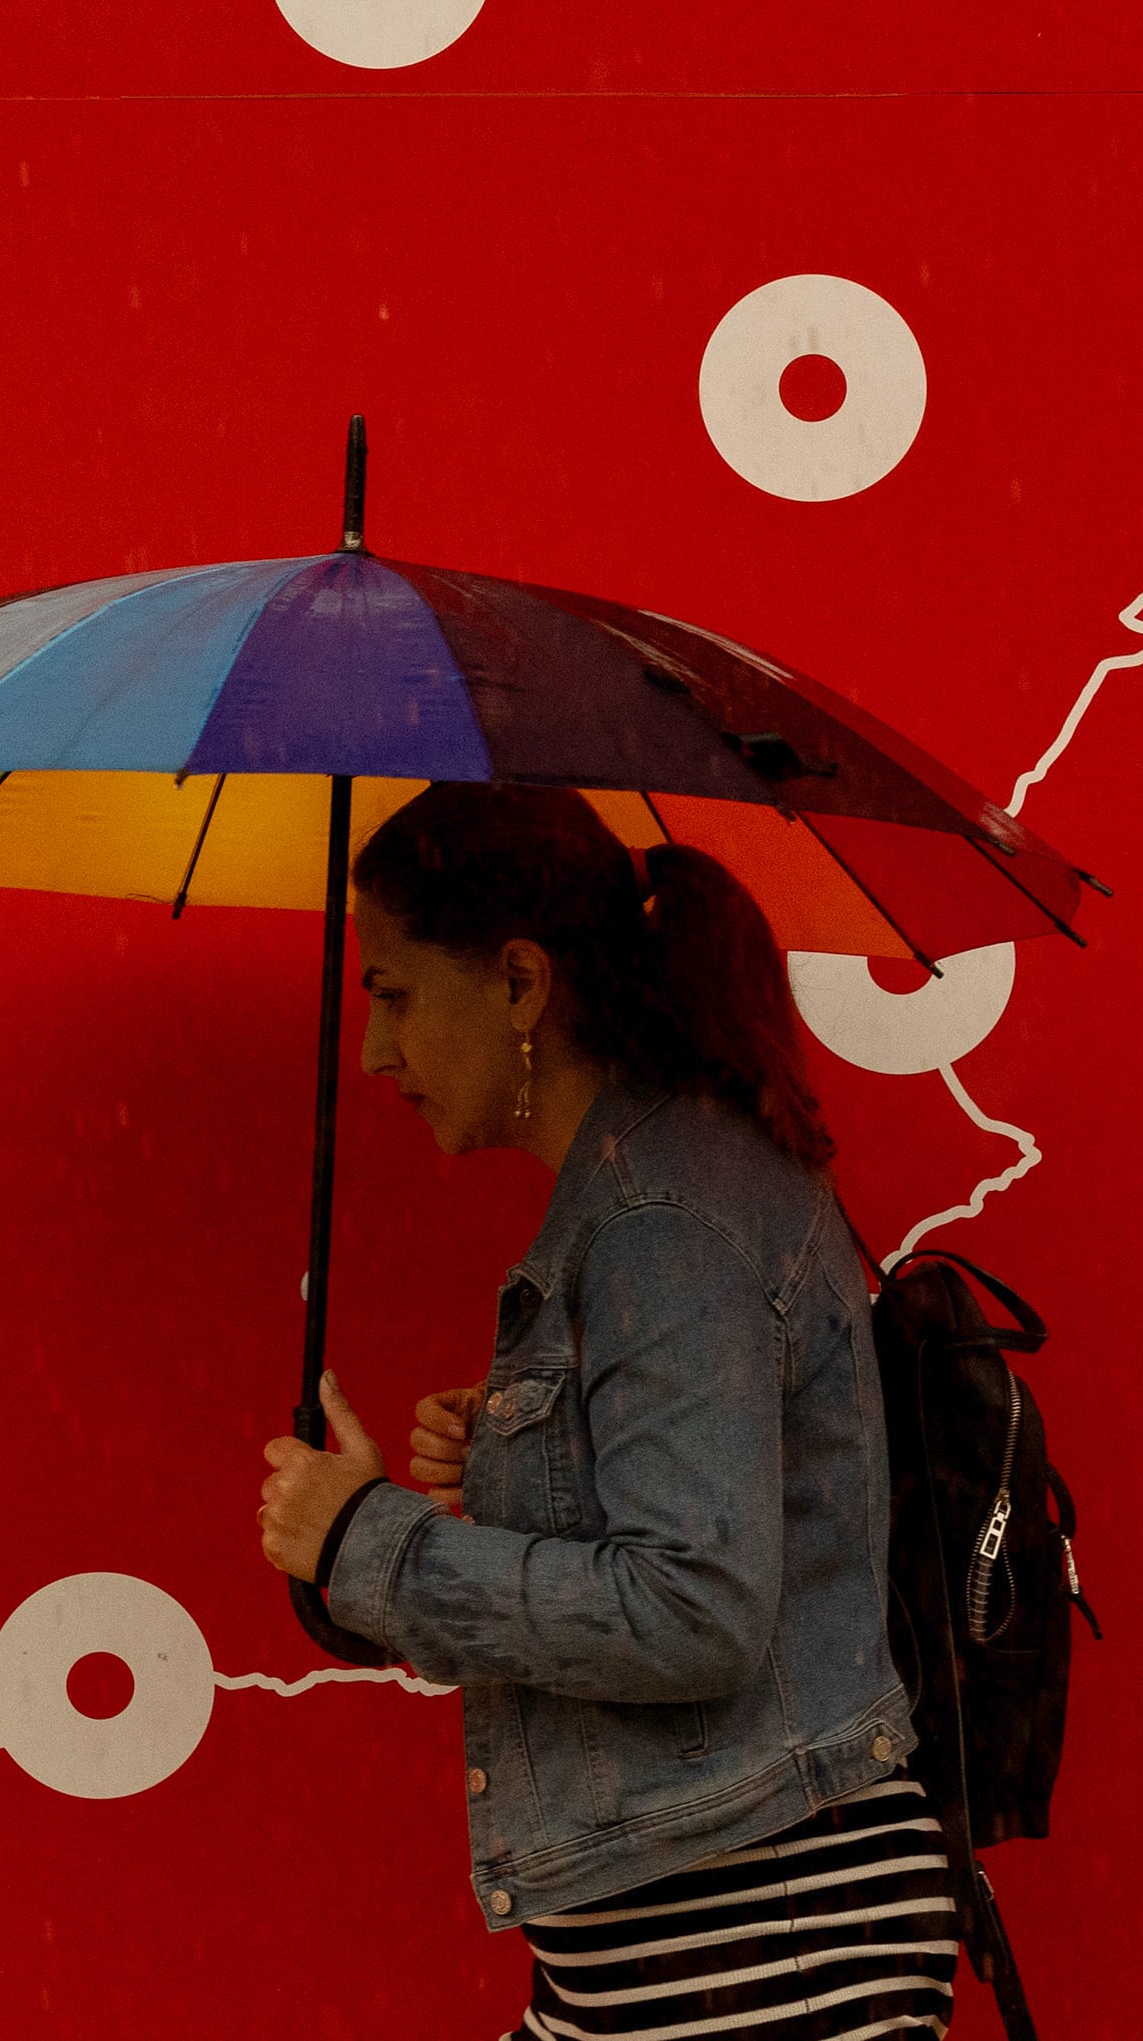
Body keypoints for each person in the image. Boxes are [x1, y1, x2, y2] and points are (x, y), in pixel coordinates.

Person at [255, 782, 959, 2040]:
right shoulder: (657, 1191)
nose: (372, 1050)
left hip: (754, 1949)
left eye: (396, 991)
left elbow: (693, 1613)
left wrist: (368, 1537)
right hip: (692, 1948)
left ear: (521, 984)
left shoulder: (659, 1222)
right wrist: (530, 1471)